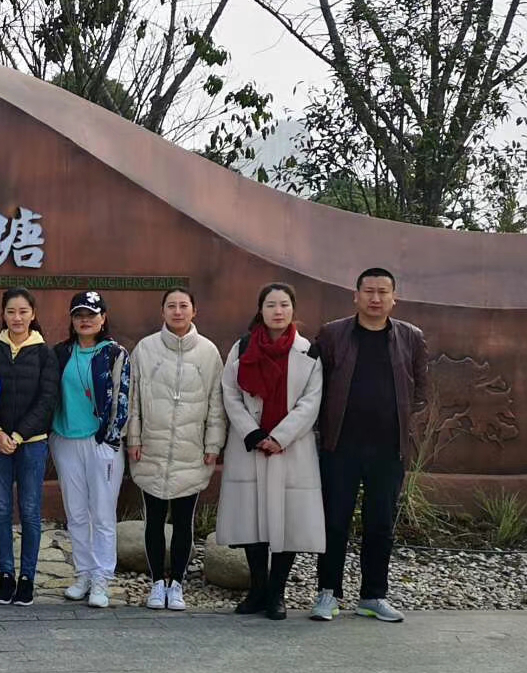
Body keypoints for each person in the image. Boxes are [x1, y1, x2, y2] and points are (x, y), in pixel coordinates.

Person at [310, 267, 427, 624]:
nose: (376, 299)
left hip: (389, 449)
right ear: (356, 295)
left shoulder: (410, 337)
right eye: (369, 291)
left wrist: (402, 425)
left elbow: (421, 389)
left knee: (380, 524)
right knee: (334, 522)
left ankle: (373, 596)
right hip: (339, 446)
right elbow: (313, 385)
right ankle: (328, 592)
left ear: (394, 298)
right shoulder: (332, 334)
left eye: (383, 292)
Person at [214, 282, 325, 621]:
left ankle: (277, 593)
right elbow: (229, 392)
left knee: (287, 522)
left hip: (291, 449)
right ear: (260, 310)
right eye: (271, 305)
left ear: (293, 309)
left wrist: (280, 437)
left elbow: (311, 401)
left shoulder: (309, 352)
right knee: (252, 521)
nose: (278, 311)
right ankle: (258, 590)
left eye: (284, 304)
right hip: (250, 446)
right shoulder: (243, 347)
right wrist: (254, 433)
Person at [126, 286, 225, 611]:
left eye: (184, 305)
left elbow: (216, 402)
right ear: (163, 311)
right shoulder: (145, 349)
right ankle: (157, 583)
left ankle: (177, 584)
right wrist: (134, 438)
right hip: (151, 448)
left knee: (184, 521)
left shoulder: (208, 352)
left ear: (194, 311)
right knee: (154, 520)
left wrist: (213, 444)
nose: (178, 311)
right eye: (171, 306)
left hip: (190, 450)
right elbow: (134, 399)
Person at [51, 289, 131, 609]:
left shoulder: (113, 353)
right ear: (72, 320)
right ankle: (83, 573)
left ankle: (101, 578)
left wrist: (111, 438)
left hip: (101, 442)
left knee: (102, 512)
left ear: (103, 318)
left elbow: (123, 396)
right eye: (79, 315)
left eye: (91, 315)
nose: (85, 320)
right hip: (65, 439)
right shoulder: (61, 353)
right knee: (76, 512)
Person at [0, 287, 60, 606]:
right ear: (3, 314)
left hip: (32, 445)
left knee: (29, 511)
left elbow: (47, 399)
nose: (17, 318)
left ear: (33, 314)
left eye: (23, 312)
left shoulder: (45, 354)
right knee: (1, 510)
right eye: (11, 311)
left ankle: (27, 577)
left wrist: (18, 435)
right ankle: (6, 576)